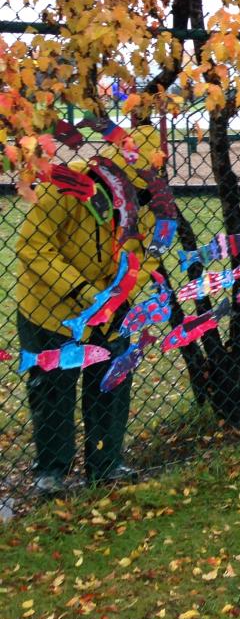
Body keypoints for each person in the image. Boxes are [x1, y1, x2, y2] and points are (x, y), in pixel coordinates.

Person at [15, 125, 163, 496]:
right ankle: (51, 469)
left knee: (111, 381)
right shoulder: (68, 185)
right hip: (51, 309)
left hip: (112, 310)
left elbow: (146, 257)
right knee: (53, 389)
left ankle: (106, 462)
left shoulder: (146, 202)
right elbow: (33, 247)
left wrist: (118, 296)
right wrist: (84, 292)